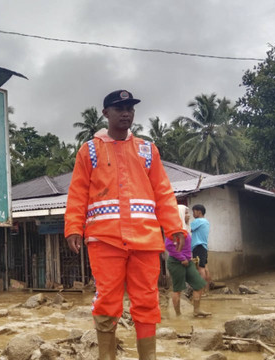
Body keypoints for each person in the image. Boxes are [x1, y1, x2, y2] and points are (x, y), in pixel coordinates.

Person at [65, 89, 187, 360]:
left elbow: (163, 192)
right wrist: (74, 227)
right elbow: (77, 193)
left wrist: (175, 227)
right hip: (104, 239)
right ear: (106, 113)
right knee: (107, 299)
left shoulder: (147, 150)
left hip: (145, 240)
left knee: (147, 300)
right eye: (119, 108)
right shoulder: (90, 150)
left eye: (130, 108)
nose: (126, 113)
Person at [165, 205, 211, 317]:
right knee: (177, 289)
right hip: (176, 262)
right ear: (180, 214)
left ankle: (197, 310)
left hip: (187, 261)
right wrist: (182, 258)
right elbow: (169, 246)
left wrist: (187, 258)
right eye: (186, 213)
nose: (188, 215)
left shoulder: (185, 227)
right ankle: (178, 315)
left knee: (199, 284)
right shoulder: (174, 228)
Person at [191, 204, 211, 289]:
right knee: (205, 267)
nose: (192, 214)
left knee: (200, 269)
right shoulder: (206, 221)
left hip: (198, 246)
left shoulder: (198, 221)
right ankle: (207, 288)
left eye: (194, 212)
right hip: (203, 246)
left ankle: (201, 289)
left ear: (199, 212)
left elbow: (188, 228)